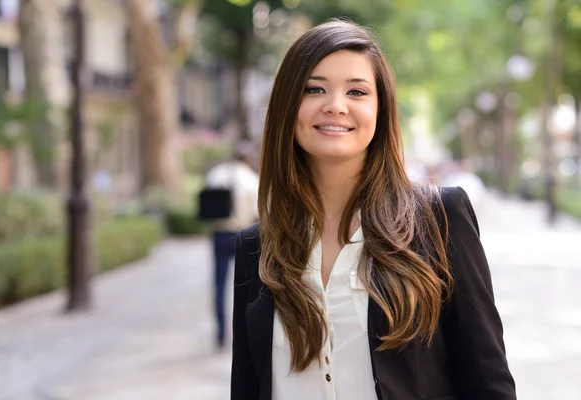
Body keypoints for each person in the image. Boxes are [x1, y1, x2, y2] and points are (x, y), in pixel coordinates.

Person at [231, 20, 516, 400]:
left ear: (380, 109)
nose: (335, 105)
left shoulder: (439, 218)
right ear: (287, 105)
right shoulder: (256, 247)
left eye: (357, 91)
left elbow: (488, 380)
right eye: (314, 89)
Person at [205, 141, 259, 348]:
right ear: (248, 159)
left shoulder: (215, 174)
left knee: (219, 284)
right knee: (248, 287)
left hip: (219, 233)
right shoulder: (252, 179)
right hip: (243, 234)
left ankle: (220, 333)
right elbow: (259, 213)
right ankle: (245, 333)